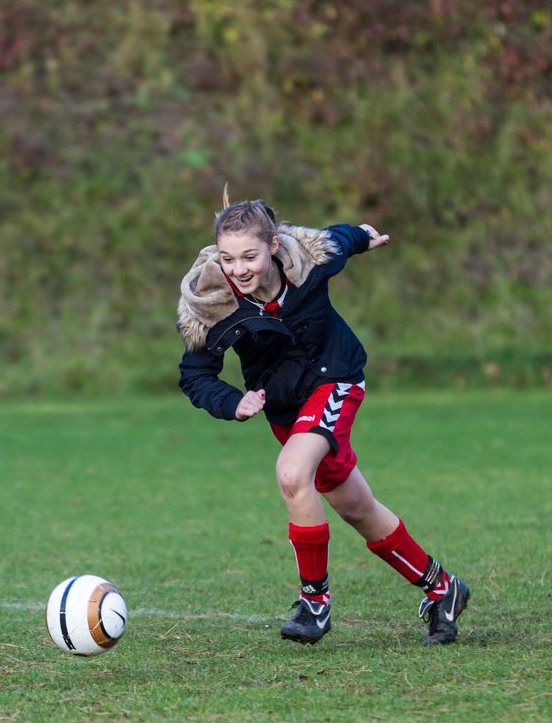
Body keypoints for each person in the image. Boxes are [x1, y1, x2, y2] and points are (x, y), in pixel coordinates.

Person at [176, 192, 470, 646]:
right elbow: (195, 375)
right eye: (229, 258)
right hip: (283, 405)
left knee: (293, 474)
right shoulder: (211, 301)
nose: (239, 269)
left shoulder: (306, 262)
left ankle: (315, 602)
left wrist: (363, 237)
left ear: (274, 246)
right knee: (356, 507)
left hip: (336, 379)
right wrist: (231, 402)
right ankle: (443, 588)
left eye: (250, 256)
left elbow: (336, 241)